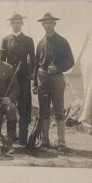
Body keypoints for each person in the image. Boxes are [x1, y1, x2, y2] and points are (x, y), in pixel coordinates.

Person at [33, 13, 74, 152]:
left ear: (54, 24)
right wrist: (34, 83)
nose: (48, 25)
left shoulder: (62, 42)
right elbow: (35, 65)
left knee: (59, 111)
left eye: (50, 23)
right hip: (42, 79)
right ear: (42, 25)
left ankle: (61, 142)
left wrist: (58, 68)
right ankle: (45, 140)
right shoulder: (40, 43)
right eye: (46, 23)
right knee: (44, 111)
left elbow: (71, 62)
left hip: (56, 79)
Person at [1, 13, 35, 147]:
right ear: (10, 24)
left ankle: (22, 139)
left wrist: (32, 75)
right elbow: (2, 60)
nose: (16, 25)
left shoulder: (28, 40)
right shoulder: (5, 39)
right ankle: (11, 137)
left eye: (18, 22)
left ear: (22, 23)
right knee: (9, 107)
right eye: (14, 22)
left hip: (23, 79)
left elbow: (33, 59)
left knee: (24, 108)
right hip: (9, 81)